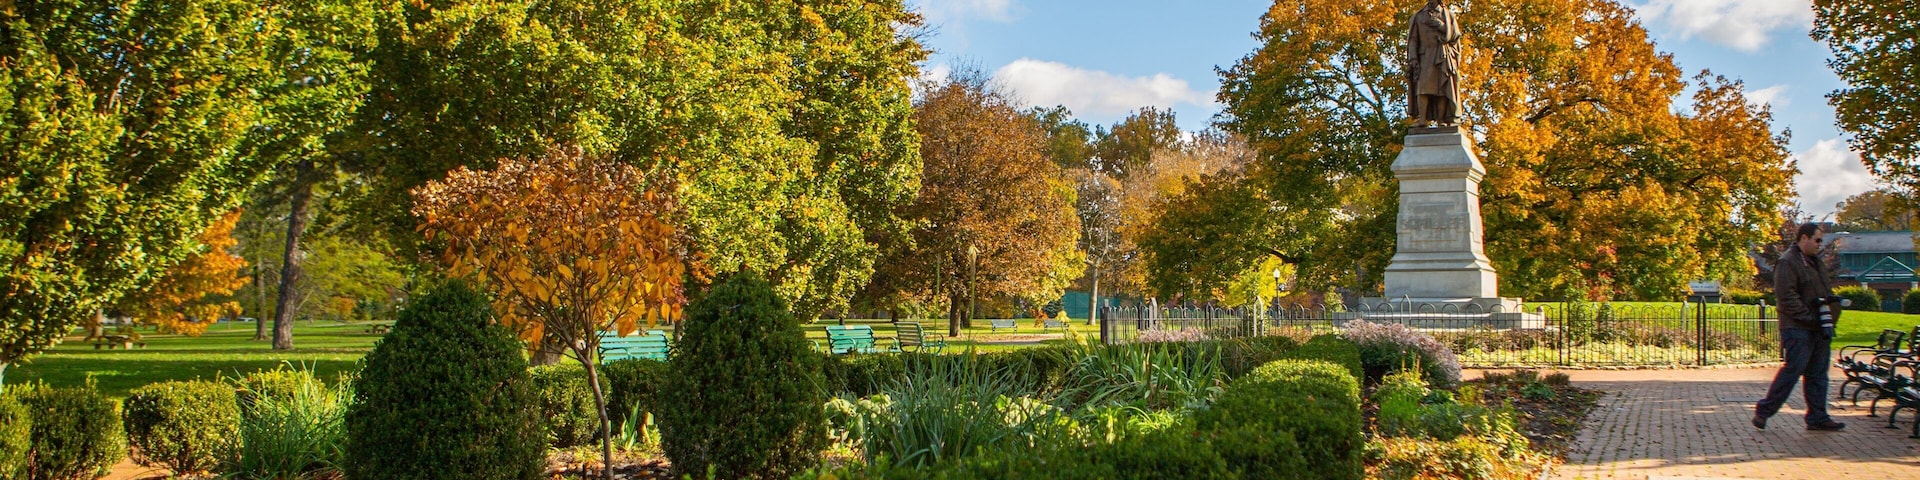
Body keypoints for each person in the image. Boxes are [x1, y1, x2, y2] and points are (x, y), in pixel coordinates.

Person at [1754, 222, 1846, 431]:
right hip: (1797, 327)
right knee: (1794, 369)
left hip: (1818, 326)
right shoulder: (1788, 262)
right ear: (1804, 238)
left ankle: (1818, 417)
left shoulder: (1815, 262)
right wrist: (1809, 317)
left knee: (1818, 373)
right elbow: (1786, 297)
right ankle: (1764, 410)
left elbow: (1821, 291)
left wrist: (1829, 307)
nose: (1819, 244)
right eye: (1817, 240)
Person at [1407, 0, 1463, 126]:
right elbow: (1413, 40)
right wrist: (1413, 58)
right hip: (1424, 56)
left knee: (1442, 88)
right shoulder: (1418, 16)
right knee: (1422, 88)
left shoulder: (1447, 15)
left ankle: (1441, 120)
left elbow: (1455, 36)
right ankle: (1422, 119)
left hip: (1442, 55)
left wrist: (1441, 26)